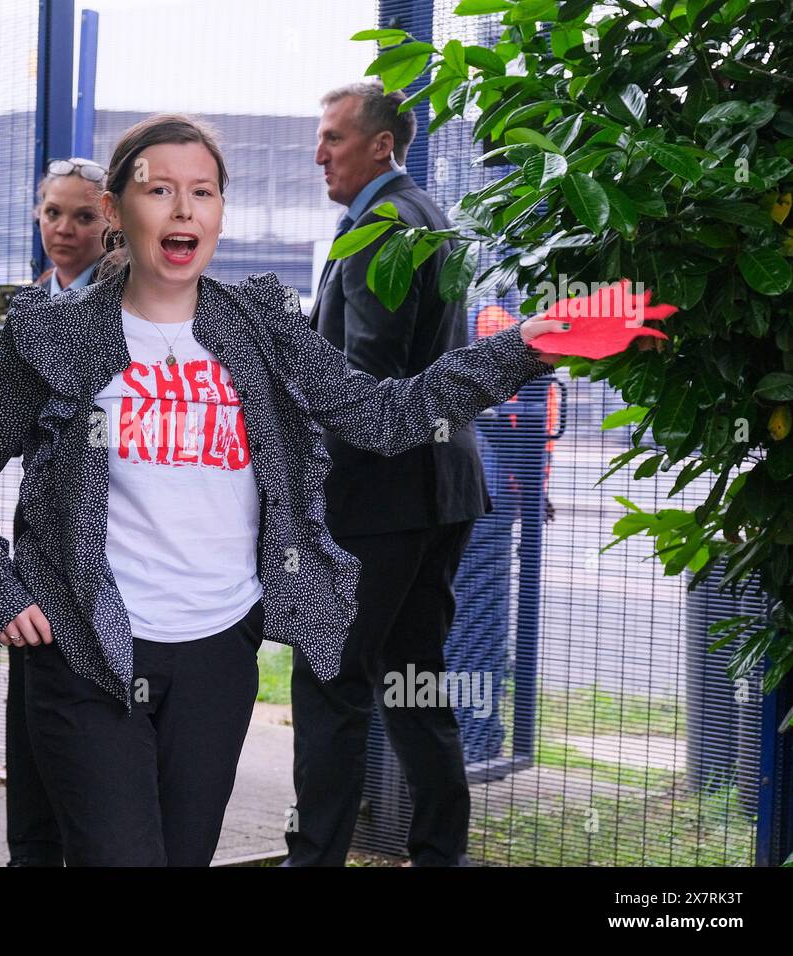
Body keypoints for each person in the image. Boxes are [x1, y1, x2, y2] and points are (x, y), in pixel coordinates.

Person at [0, 113, 572, 866]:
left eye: (204, 191)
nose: (184, 208)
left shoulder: (259, 332)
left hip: (218, 655)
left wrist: (527, 346)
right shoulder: (56, 338)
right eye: (159, 189)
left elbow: (387, 414)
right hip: (87, 654)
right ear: (119, 210)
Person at [283, 80, 496, 867]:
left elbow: (366, 380)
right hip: (441, 487)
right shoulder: (429, 215)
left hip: (381, 495)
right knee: (413, 681)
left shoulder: (379, 226)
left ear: (380, 144)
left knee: (330, 678)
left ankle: (315, 861)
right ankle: (441, 854)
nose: (318, 153)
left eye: (333, 137)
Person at [4, 157, 108, 868]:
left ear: (110, 222)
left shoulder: (134, 304)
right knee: (31, 736)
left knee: (91, 749)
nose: (63, 229)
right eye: (52, 213)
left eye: (81, 215)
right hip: (38, 552)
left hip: (107, 561)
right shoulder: (34, 305)